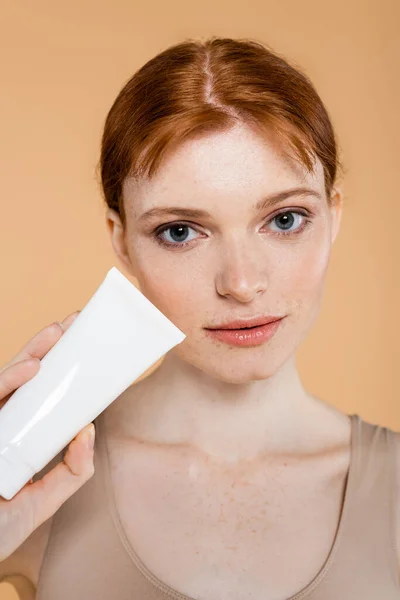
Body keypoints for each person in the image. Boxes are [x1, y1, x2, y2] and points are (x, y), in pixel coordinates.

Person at [1, 36, 399, 600]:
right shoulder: (35, 484)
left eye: (285, 220)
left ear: (332, 217)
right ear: (122, 242)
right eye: (181, 232)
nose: (241, 283)